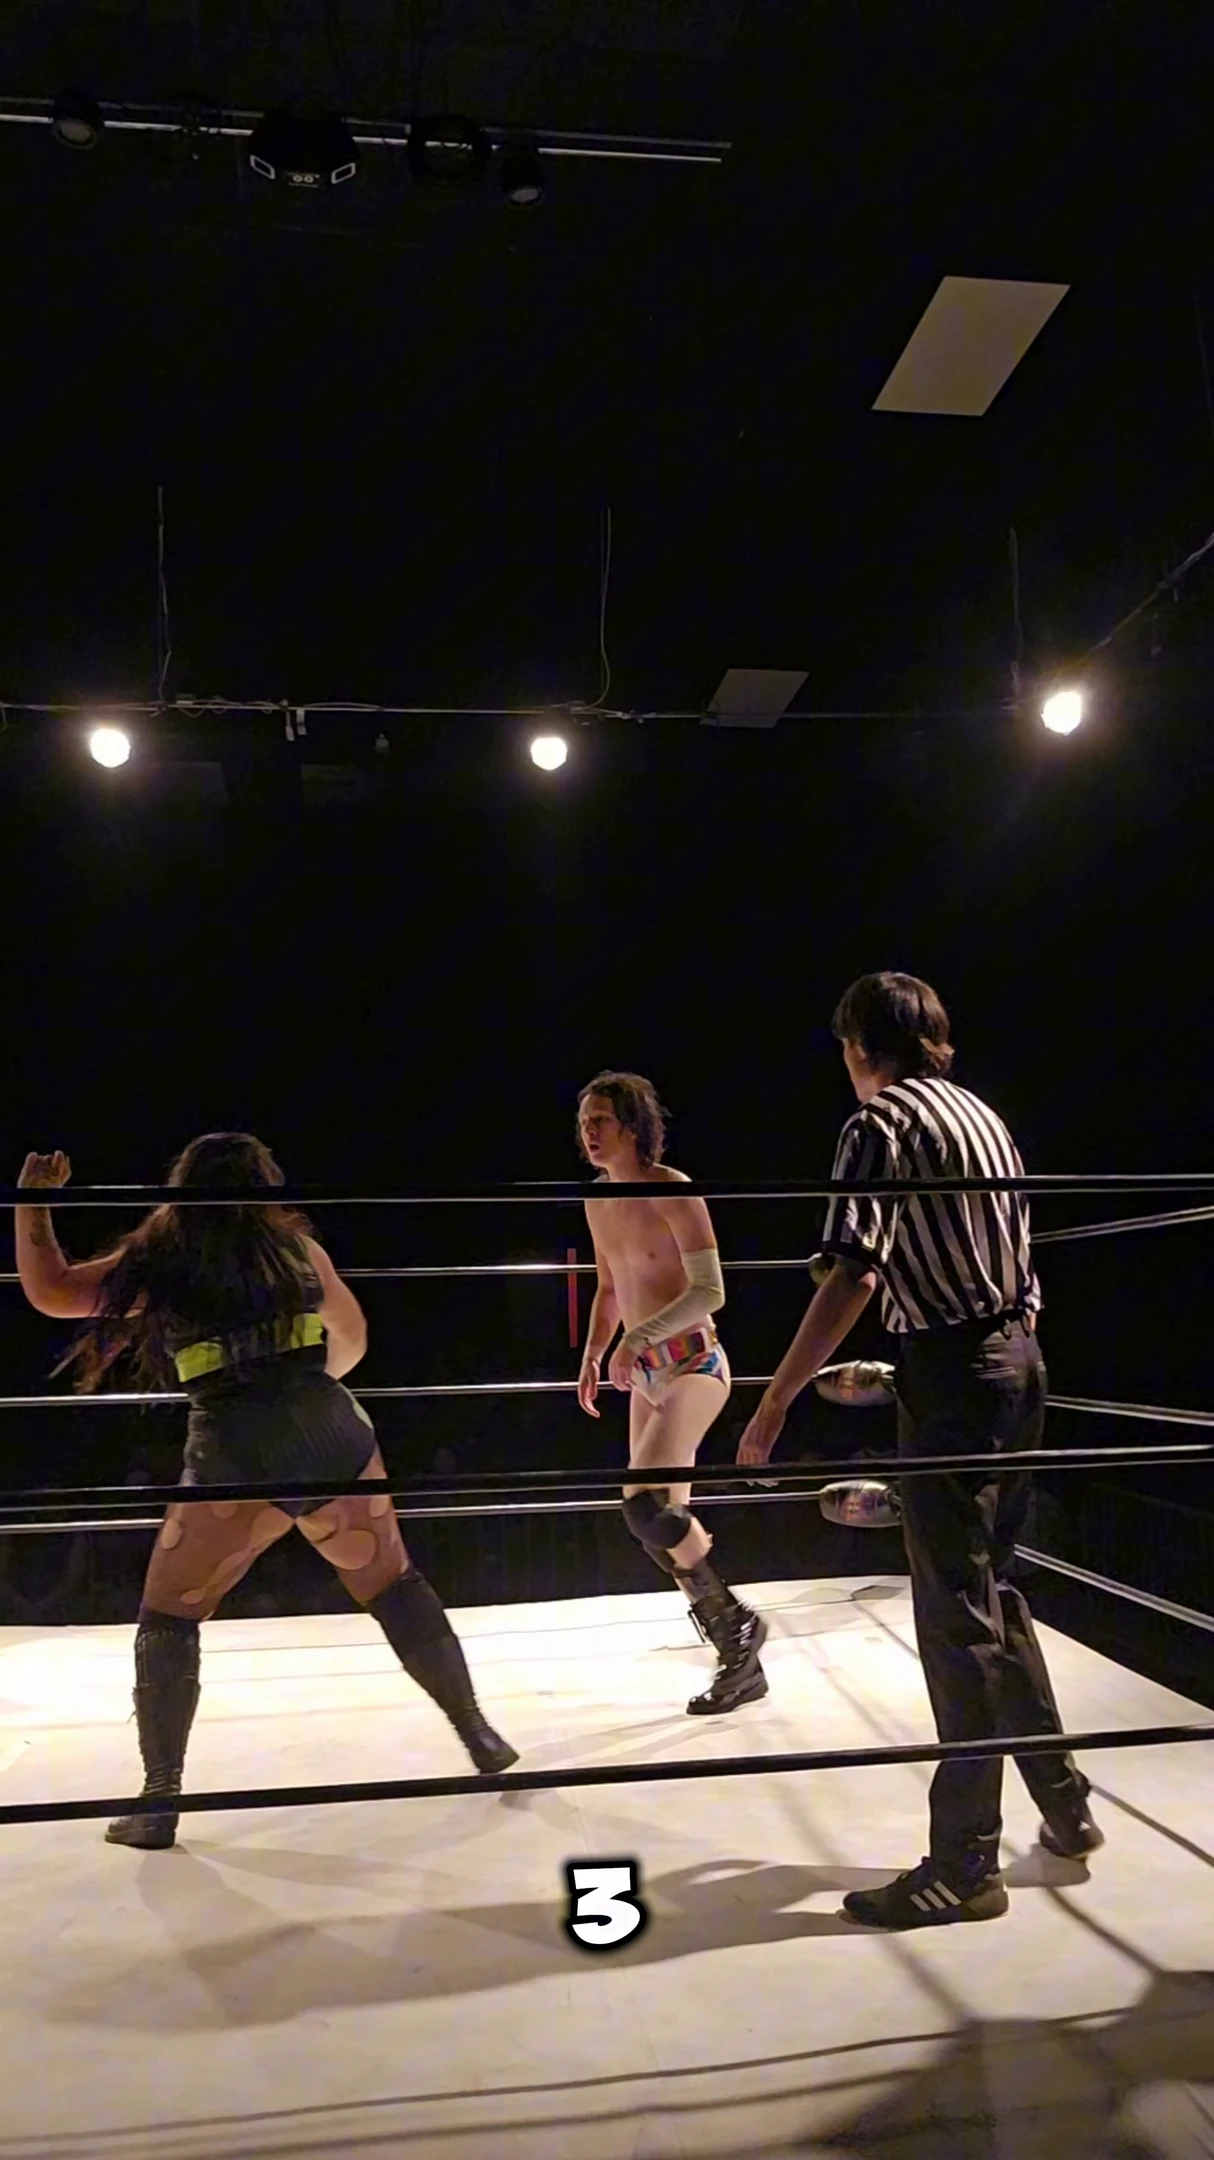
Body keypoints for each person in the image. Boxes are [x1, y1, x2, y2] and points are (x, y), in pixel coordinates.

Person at [14, 1133, 517, 1850]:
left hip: (237, 1449)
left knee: (168, 1615)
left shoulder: (166, 1258)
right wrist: (304, 1390)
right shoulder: (296, 1251)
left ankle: (159, 1799)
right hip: (333, 1432)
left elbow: (52, 1291)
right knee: (393, 1583)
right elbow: (353, 1334)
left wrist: (32, 1203)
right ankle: (479, 1734)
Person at [737, 974, 1102, 1928]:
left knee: (955, 1612)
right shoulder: (984, 1117)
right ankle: (1064, 1803)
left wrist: (775, 1399)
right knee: (994, 1592)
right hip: (1018, 1359)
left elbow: (853, 1274)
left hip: (952, 1372)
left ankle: (965, 1863)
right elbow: (1013, 1256)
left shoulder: (881, 1123)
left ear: (859, 1046)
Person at [576, 1072, 767, 1713]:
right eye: (584, 1123)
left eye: (601, 1120)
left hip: (694, 1364)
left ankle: (737, 1624)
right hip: (645, 1376)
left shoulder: (672, 1189)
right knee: (657, 1526)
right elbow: (609, 1288)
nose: (590, 1133)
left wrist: (637, 1338)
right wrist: (595, 1352)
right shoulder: (597, 1201)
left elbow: (711, 1291)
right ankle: (739, 1654)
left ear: (632, 1126)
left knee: (644, 1504)